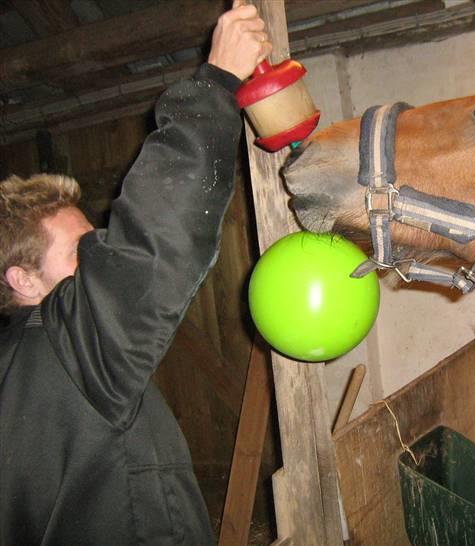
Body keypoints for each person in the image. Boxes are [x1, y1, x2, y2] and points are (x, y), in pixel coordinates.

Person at [0, 2, 272, 544]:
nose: (101, 260)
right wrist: (216, 82)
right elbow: (153, 241)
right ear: (23, 280)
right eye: (82, 251)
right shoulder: (66, 345)